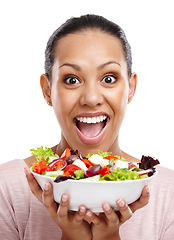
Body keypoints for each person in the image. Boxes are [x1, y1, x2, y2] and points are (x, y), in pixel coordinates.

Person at [0, 14, 174, 240]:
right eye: (72, 79)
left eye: (109, 78)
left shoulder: (168, 194)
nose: (91, 98)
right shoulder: (8, 189)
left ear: (130, 88)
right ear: (47, 90)